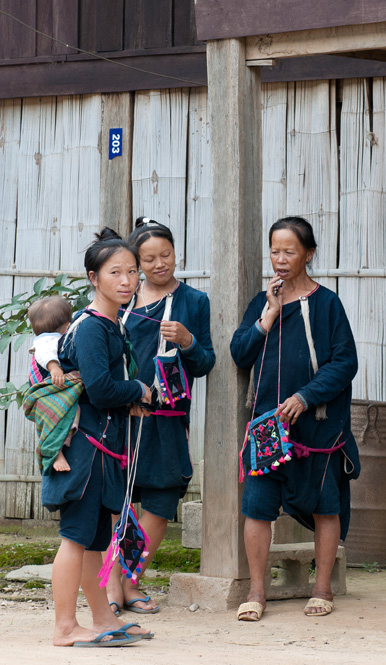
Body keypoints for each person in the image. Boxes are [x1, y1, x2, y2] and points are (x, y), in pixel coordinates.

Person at [231, 216, 360, 621]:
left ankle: (322, 587)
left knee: (326, 504)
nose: (281, 259)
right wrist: (267, 316)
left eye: (289, 251)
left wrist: (306, 397)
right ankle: (256, 590)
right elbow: (239, 353)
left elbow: (345, 362)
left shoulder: (327, 304)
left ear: (308, 253)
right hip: (269, 427)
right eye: (275, 251)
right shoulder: (262, 301)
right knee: (257, 505)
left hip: (318, 425)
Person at [43, 228, 153, 647]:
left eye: (132, 272)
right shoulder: (91, 328)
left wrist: (133, 397)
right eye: (115, 273)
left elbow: (104, 389)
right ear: (94, 278)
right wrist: (139, 391)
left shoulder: (113, 325)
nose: (126, 281)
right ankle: (65, 627)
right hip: (86, 451)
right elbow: (103, 389)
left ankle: (104, 619)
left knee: (95, 542)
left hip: (103, 448)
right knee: (76, 538)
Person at [106, 217, 216, 616]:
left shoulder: (194, 302)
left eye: (165, 255)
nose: (158, 264)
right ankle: (112, 582)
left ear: (176, 254)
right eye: (148, 259)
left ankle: (131, 582)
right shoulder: (123, 299)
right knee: (120, 500)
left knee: (160, 499)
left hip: (168, 417)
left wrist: (187, 340)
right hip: (123, 416)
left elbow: (206, 362)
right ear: (136, 263)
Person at [27, 295, 74, 472]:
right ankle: (56, 452)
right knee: (59, 419)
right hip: (48, 389)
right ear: (67, 325)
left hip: (44, 389)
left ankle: (56, 448)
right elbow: (46, 354)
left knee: (49, 421)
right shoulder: (49, 340)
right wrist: (54, 368)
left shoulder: (42, 338)